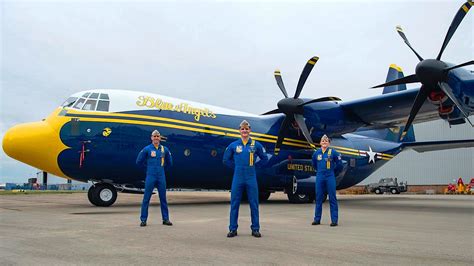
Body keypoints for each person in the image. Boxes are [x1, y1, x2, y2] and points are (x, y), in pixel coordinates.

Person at [223, 120, 268, 238]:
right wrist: (236, 167)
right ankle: (232, 229)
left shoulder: (256, 145)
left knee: (254, 203)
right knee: (234, 203)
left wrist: (255, 167)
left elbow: (265, 159)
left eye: (246, 129)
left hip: (251, 176)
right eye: (242, 129)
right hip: (238, 176)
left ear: (250, 130)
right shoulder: (233, 145)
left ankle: (255, 229)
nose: (244, 131)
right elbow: (226, 159)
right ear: (239, 130)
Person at [136, 130, 173, 227]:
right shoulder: (147, 149)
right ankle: (143, 220)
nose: (156, 138)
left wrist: (162, 170)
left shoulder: (165, 149)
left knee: (163, 198)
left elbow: (170, 163)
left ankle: (166, 219)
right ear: (151, 138)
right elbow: (139, 161)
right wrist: (148, 169)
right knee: (146, 198)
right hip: (150, 176)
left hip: (161, 176)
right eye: (154, 136)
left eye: (158, 136)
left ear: (160, 138)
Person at [311, 134, 343, 227]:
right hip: (320, 176)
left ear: (329, 143)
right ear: (320, 143)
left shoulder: (333, 152)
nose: (324, 142)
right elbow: (314, 164)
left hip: (330, 176)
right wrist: (320, 171)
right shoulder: (316, 153)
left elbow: (340, 165)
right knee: (318, 198)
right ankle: (317, 219)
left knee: (332, 198)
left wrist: (334, 172)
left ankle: (334, 220)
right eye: (323, 141)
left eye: (326, 141)